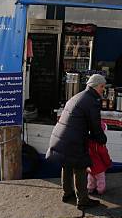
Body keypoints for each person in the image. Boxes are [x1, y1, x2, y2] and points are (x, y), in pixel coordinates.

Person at [46, 74, 107, 210]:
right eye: (102, 86)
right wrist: (102, 139)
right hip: (73, 139)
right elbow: (95, 125)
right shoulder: (92, 100)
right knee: (80, 166)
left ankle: (67, 194)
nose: (103, 89)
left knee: (67, 164)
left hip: (61, 136)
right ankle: (83, 200)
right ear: (95, 86)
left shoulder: (78, 96)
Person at [87, 122, 112, 195]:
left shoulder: (88, 142)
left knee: (91, 178)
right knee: (101, 179)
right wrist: (108, 163)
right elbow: (104, 155)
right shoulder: (100, 145)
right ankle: (100, 190)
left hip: (90, 165)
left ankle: (90, 189)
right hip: (99, 167)